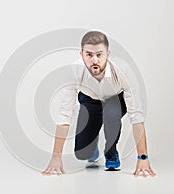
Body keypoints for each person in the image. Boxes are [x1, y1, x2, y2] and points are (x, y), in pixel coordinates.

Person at [42, 31, 156, 177]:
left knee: (110, 114)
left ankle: (111, 152)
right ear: (81, 54)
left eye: (99, 55)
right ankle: (92, 142)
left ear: (107, 54)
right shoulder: (74, 71)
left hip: (115, 99)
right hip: (90, 100)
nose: (94, 60)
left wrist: (143, 158)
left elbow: (136, 116)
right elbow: (65, 114)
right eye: (89, 55)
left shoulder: (123, 70)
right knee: (83, 153)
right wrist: (56, 157)